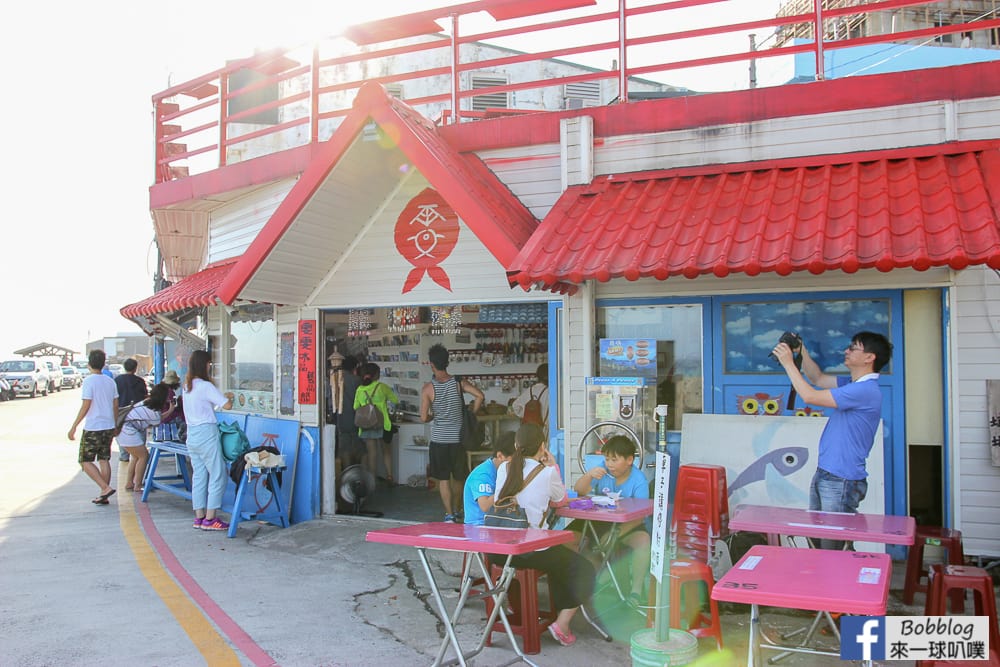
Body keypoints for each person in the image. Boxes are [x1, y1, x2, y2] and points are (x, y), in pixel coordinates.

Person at [773, 330, 892, 549]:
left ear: (869, 357)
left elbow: (810, 396)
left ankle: (841, 583)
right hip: (828, 474)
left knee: (833, 549)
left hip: (841, 480)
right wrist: (802, 352)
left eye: (853, 347)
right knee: (820, 543)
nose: (846, 351)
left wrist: (788, 363)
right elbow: (816, 378)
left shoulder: (864, 390)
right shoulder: (852, 384)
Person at [492, 423, 595, 647]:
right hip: (529, 551)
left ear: (517, 445)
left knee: (561, 562)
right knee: (584, 569)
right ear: (542, 446)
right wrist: (553, 466)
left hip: (499, 550)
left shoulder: (503, 469)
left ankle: (542, 614)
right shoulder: (547, 473)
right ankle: (562, 623)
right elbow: (560, 502)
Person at [573, 434, 650, 608]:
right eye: (607, 459)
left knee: (643, 541)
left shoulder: (639, 481)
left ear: (630, 460)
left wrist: (614, 534)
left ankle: (635, 593)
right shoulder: (602, 470)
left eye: (614, 460)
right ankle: (582, 586)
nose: (609, 464)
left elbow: (640, 515)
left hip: (627, 525)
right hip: (598, 523)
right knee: (567, 539)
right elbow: (579, 491)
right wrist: (589, 475)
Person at [420, 343, 485, 523]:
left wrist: (434, 416)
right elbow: (480, 395)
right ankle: (457, 510)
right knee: (458, 477)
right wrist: (472, 413)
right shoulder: (458, 382)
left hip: (439, 439)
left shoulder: (427, 388)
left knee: (443, 479)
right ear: (447, 363)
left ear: (432, 365)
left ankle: (448, 514)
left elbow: (423, 417)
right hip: (458, 439)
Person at [184, 349, 235, 531]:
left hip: (192, 435)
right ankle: (211, 518)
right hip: (206, 433)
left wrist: (219, 400)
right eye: (208, 363)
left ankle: (199, 517)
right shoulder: (206, 386)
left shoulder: (187, 386)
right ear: (204, 365)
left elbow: (203, 405)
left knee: (199, 476)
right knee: (218, 473)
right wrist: (229, 398)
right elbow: (227, 405)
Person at [67, 349, 118, 505]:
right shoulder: (110, 381)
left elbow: (86, 404)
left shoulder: (89, 381)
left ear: (89, 364)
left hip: (94, 426)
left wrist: (74, 425)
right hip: (108, 425)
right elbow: (116, 404)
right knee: (104, 459)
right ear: (103, 364)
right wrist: (115, 424)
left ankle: (104, 488)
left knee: (84, 460)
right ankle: (104, 494)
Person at [117, 383, 177, 493]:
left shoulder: (146, 402)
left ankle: (130, 483)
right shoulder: (153, 411)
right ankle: (138, 485)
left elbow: (155, 420)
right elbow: (157, 421)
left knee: (135, 457)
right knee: (144, 456)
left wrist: (169, 410)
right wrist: (170, 410)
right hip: (128, 433)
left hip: (123, 431)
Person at [354, 362, 399, 483]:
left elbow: (355, 406)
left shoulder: (360, 389)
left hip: (367, 425)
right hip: (383, 424)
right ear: (376, 375)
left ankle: (372, 480)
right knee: (386, 451)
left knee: (372, 453)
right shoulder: (382, 387)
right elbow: (395, 400)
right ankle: (389, 476)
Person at [462, 431, 516, 526]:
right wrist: (509, 486)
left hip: (498, 522)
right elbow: (485, 505)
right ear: (500, 456)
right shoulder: (482, 474)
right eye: (515, 460)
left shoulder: (503, 470)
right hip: (479, 526)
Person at [114, 358, 149, 462]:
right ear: (135, 368)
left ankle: (124, 456)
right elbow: (144, 396)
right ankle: (139, 454)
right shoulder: (140, 381)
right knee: (140, 434)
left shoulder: (117, 380)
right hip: (138, 413)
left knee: (123, 434)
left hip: (122, 414)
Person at [334, 354, 364, 469]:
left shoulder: (336, 378)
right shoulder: (356, 380)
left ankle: (346, 471)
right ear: (355, 367)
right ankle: (357, 470)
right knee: (358, 446)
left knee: (344, 447)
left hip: (340, 417)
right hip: (356, 417)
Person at [510, 363, 548, 431]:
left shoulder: (530, 390)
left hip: (530, 429)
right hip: (545, 429)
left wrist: (526, 413)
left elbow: (515, 406)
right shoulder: (550, 391)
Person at [161, 369, 186, 441]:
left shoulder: (162, 389)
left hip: (163, 418)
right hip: (168, 418)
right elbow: (174, 406)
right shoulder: (169, 391)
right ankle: (182, 439)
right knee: (186, 423)